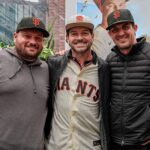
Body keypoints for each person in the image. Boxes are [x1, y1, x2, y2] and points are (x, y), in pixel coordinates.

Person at [45, 14, 110, 150]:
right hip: (57, 145)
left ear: (93, 37)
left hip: (91, 146)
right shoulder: (53, 65)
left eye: (85, 33)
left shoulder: (104, 69)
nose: (80, 38)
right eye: (74, 34)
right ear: (67, 39)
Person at [0, 17, 49, 150]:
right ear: (15, 36)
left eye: (38, 38)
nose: (33, 42)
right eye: (27, 36)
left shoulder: (46, 69)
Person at [106, 9, 150, 150]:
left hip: (143, 142)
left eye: (126, 27)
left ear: (135, 28)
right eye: (115, 29)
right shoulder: (110, 60)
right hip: (115, 141)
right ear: (110, 34)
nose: (121, 33)